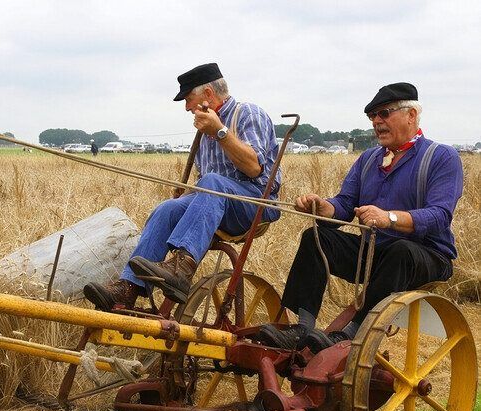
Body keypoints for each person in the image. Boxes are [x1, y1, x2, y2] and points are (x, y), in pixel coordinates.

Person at [259, 82, 463, 353]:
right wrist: (323, 208)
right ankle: (302, 328)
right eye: (373, 116)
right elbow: (345, 205)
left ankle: (350, 332)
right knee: (316, 237)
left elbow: (439, 215)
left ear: (411, 115)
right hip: (375, 253)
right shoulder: (368, 159)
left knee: (401, 250)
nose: (377, 122)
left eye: (384, 113)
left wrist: (388, 218)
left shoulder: (441, 157)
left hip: (427, 255)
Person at [84, 62, 281, 311]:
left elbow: (254, 168)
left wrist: (220, 131)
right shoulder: (203, 130)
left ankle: (182, 268)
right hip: (219, 201)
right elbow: (207, 185)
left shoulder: (248, 114)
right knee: (167, 209)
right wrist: (187, 195)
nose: (187, 107)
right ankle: (128, 289)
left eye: (189, 99)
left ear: (208, 94)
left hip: (255, 203)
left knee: (211, 184)